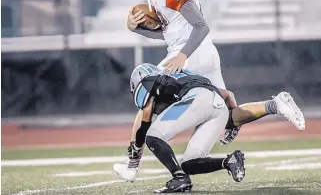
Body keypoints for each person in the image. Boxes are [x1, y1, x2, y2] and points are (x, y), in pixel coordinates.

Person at [113, 63, 306, 193]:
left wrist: (136, 150)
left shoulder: (147, 81)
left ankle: (180, 178)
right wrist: (232, 124)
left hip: (197, 99)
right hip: (218, 105)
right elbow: (228, 95)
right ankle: (230, 160)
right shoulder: (182, 76)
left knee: (153, 136)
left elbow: (145, 119)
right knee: (191, 162)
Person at [127, 0, 237, 145]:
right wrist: (135, 28)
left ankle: (132, 158)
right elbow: (168, 34)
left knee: (148, 94)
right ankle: (272, 106)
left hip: (190, 53)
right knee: (223, 103)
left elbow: (201, 26)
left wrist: (181, 56)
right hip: (204, 51)